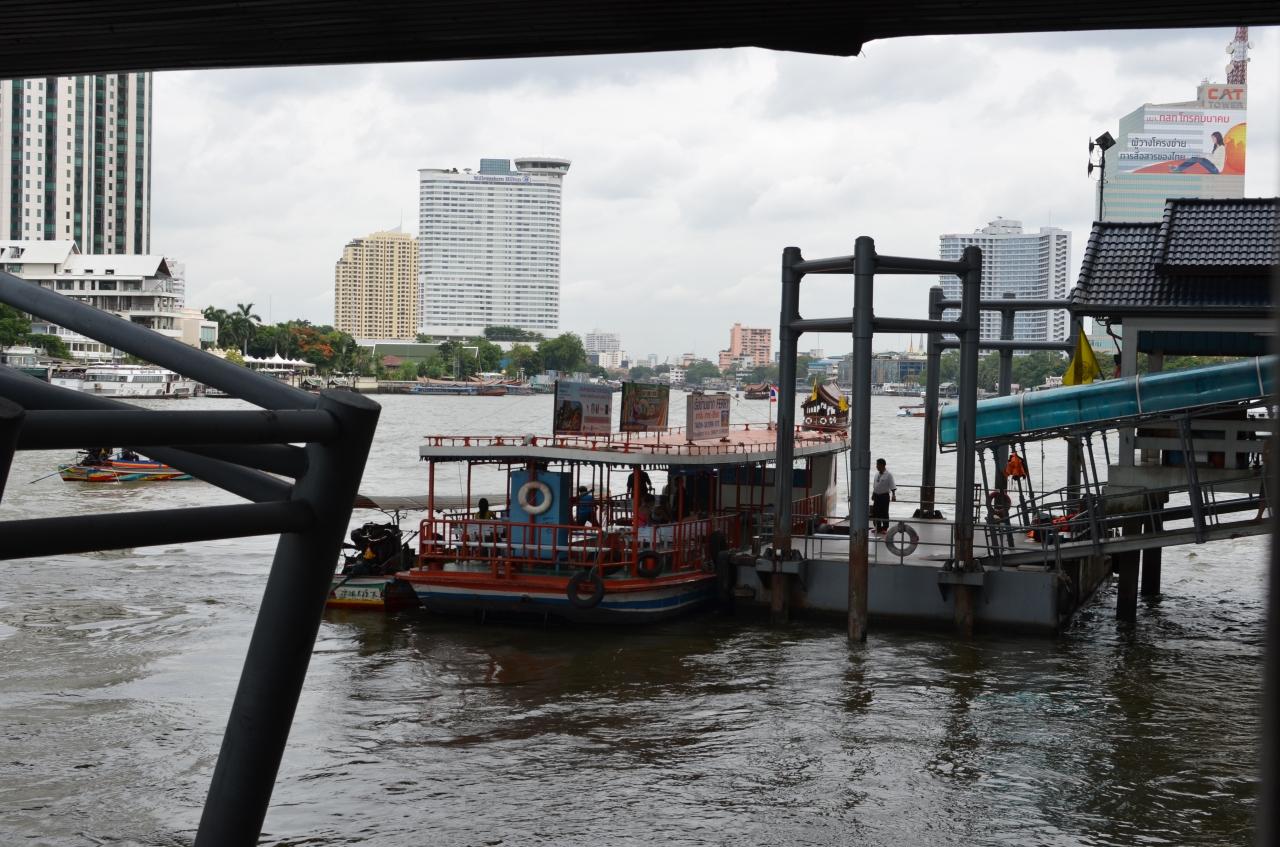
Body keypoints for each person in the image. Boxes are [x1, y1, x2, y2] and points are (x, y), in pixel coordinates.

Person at [871, 457, 896, 534]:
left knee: (884, 512)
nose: (876, 466)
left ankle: (885, 528)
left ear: (883, 465)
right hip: (876, 496)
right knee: (875, 512)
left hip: (884, 496)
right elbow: (875, 485)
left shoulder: (888, 475)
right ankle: (877, 527)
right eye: (876, 465)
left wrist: (893, 495)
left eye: (878, 465)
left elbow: (892, 485)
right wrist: (873, 494)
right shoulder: (876, 474)